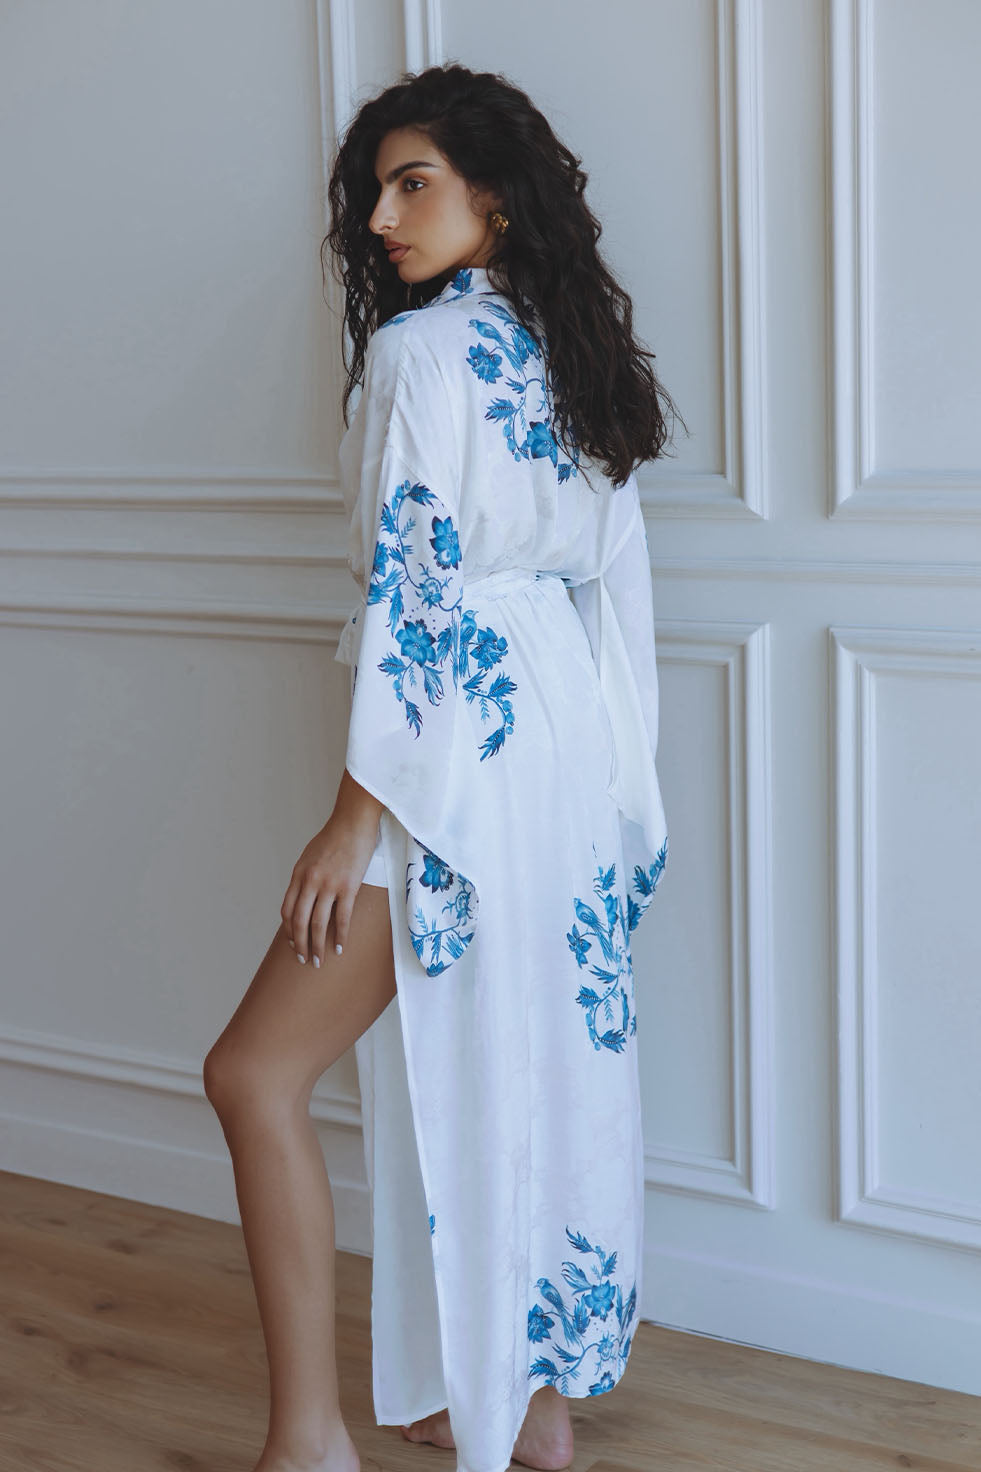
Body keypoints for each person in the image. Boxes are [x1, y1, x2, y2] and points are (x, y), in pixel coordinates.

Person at [203, 61, 684, 1472]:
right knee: (516, 1060)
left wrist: (353, 822)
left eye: (411, 185)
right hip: (561, 750)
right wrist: (622, 808)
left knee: (253, 1075)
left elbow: (413, 596)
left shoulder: (422, 356)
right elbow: (619, 597)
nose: (379, 218)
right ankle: (520, 1402)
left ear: (496, 197)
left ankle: (309, 1437)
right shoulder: (575, 356)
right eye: (373, 192)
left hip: (452, 758)